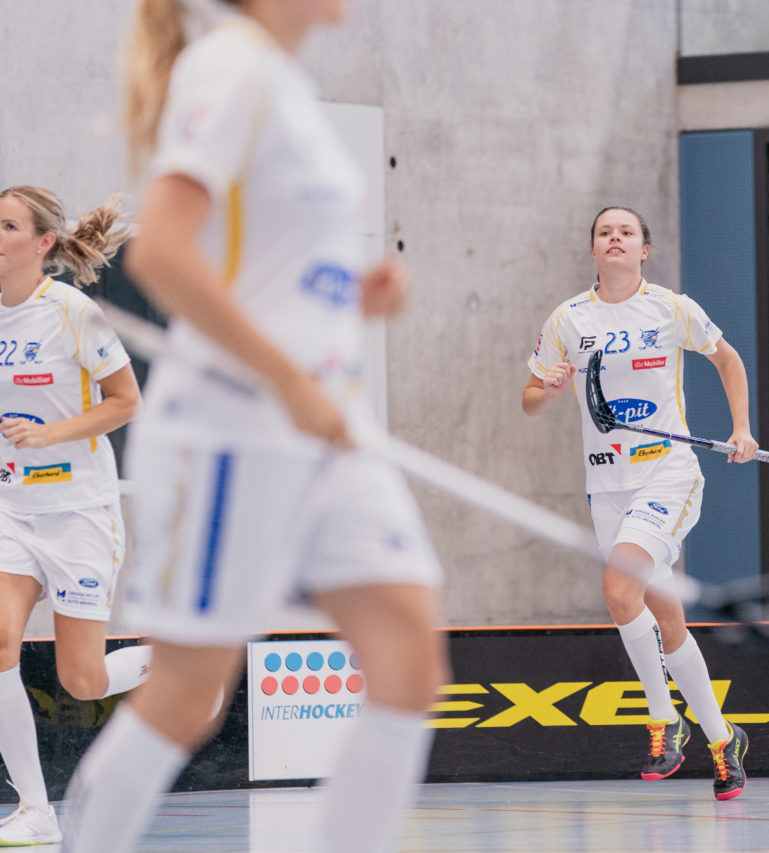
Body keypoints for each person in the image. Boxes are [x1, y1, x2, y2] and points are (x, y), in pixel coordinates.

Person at [62, 3, 448, 852]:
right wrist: (283, 376)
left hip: (321, 431)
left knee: (409, 657)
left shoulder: (287, 85)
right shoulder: (230, 68)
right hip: (233, 432)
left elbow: (261, 267)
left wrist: (350, 296)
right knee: (187, 694)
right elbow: (160, 252)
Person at [523, 205, 756, 801]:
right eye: (606, 232)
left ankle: (662, 720)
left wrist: (742, 429)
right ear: (593, 249)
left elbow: (727, 359)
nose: (616, 238)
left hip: (668, 476)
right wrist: (546, 389)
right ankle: (723, 739)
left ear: (644, 248)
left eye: (627, 231)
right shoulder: (569, 320)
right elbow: (528, 398)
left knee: (618, 589)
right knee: (667, 619)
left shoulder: (672, 307)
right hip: (607, 486)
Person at [0, 186, 147, 846]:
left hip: (80, 511)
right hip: (12, 509)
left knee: (81, 679)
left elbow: (125, 401)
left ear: (42, 243)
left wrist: (51, 436)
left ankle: (176, 661)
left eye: (7, 225)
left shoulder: (73, 314)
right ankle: (36, 807)